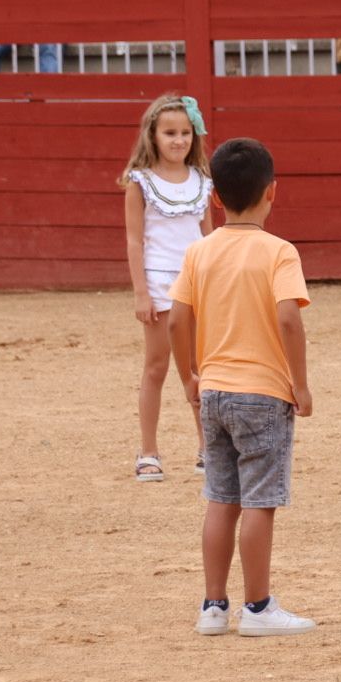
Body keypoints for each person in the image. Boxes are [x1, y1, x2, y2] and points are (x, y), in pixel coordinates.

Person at [168, 136, 317, 637]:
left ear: (214, 196)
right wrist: (300, 383)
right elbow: (289, 322)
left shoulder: (198, 252)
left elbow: (176, 320)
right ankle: (257, 608)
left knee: (220, 498)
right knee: (259, 501)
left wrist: (190, 373)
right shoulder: (279, 252)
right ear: (272, 191)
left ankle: (213, 606)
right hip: (263, 392)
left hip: (213, 390)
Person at [121, 94, 213, 481]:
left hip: (197, 283)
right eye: (169, 133)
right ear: (153, 136)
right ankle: (148, 452)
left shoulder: (203, 182)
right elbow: (134, 241)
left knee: (199, 368)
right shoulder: (140, 182)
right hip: (159, 284)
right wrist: (141, 291)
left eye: (185, 133)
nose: (178, 140)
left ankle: (208, 448)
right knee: (157, 367)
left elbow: (210, 238)